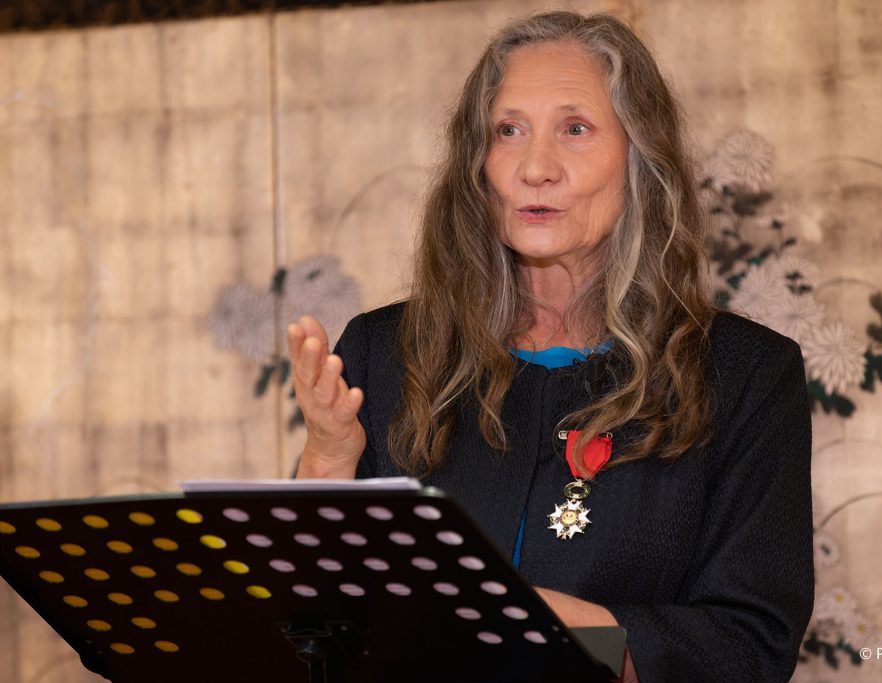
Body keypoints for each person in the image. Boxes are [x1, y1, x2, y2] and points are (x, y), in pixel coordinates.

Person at [287, 10, 812, 682]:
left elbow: (751, 644)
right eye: (508, 131)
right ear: (478, 167)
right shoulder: (382, 351)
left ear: (639, 158)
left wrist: (516, 620)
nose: (535, 167)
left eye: (575, 129)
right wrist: (329, 457)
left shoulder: (744, 374)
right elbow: (307, 629)